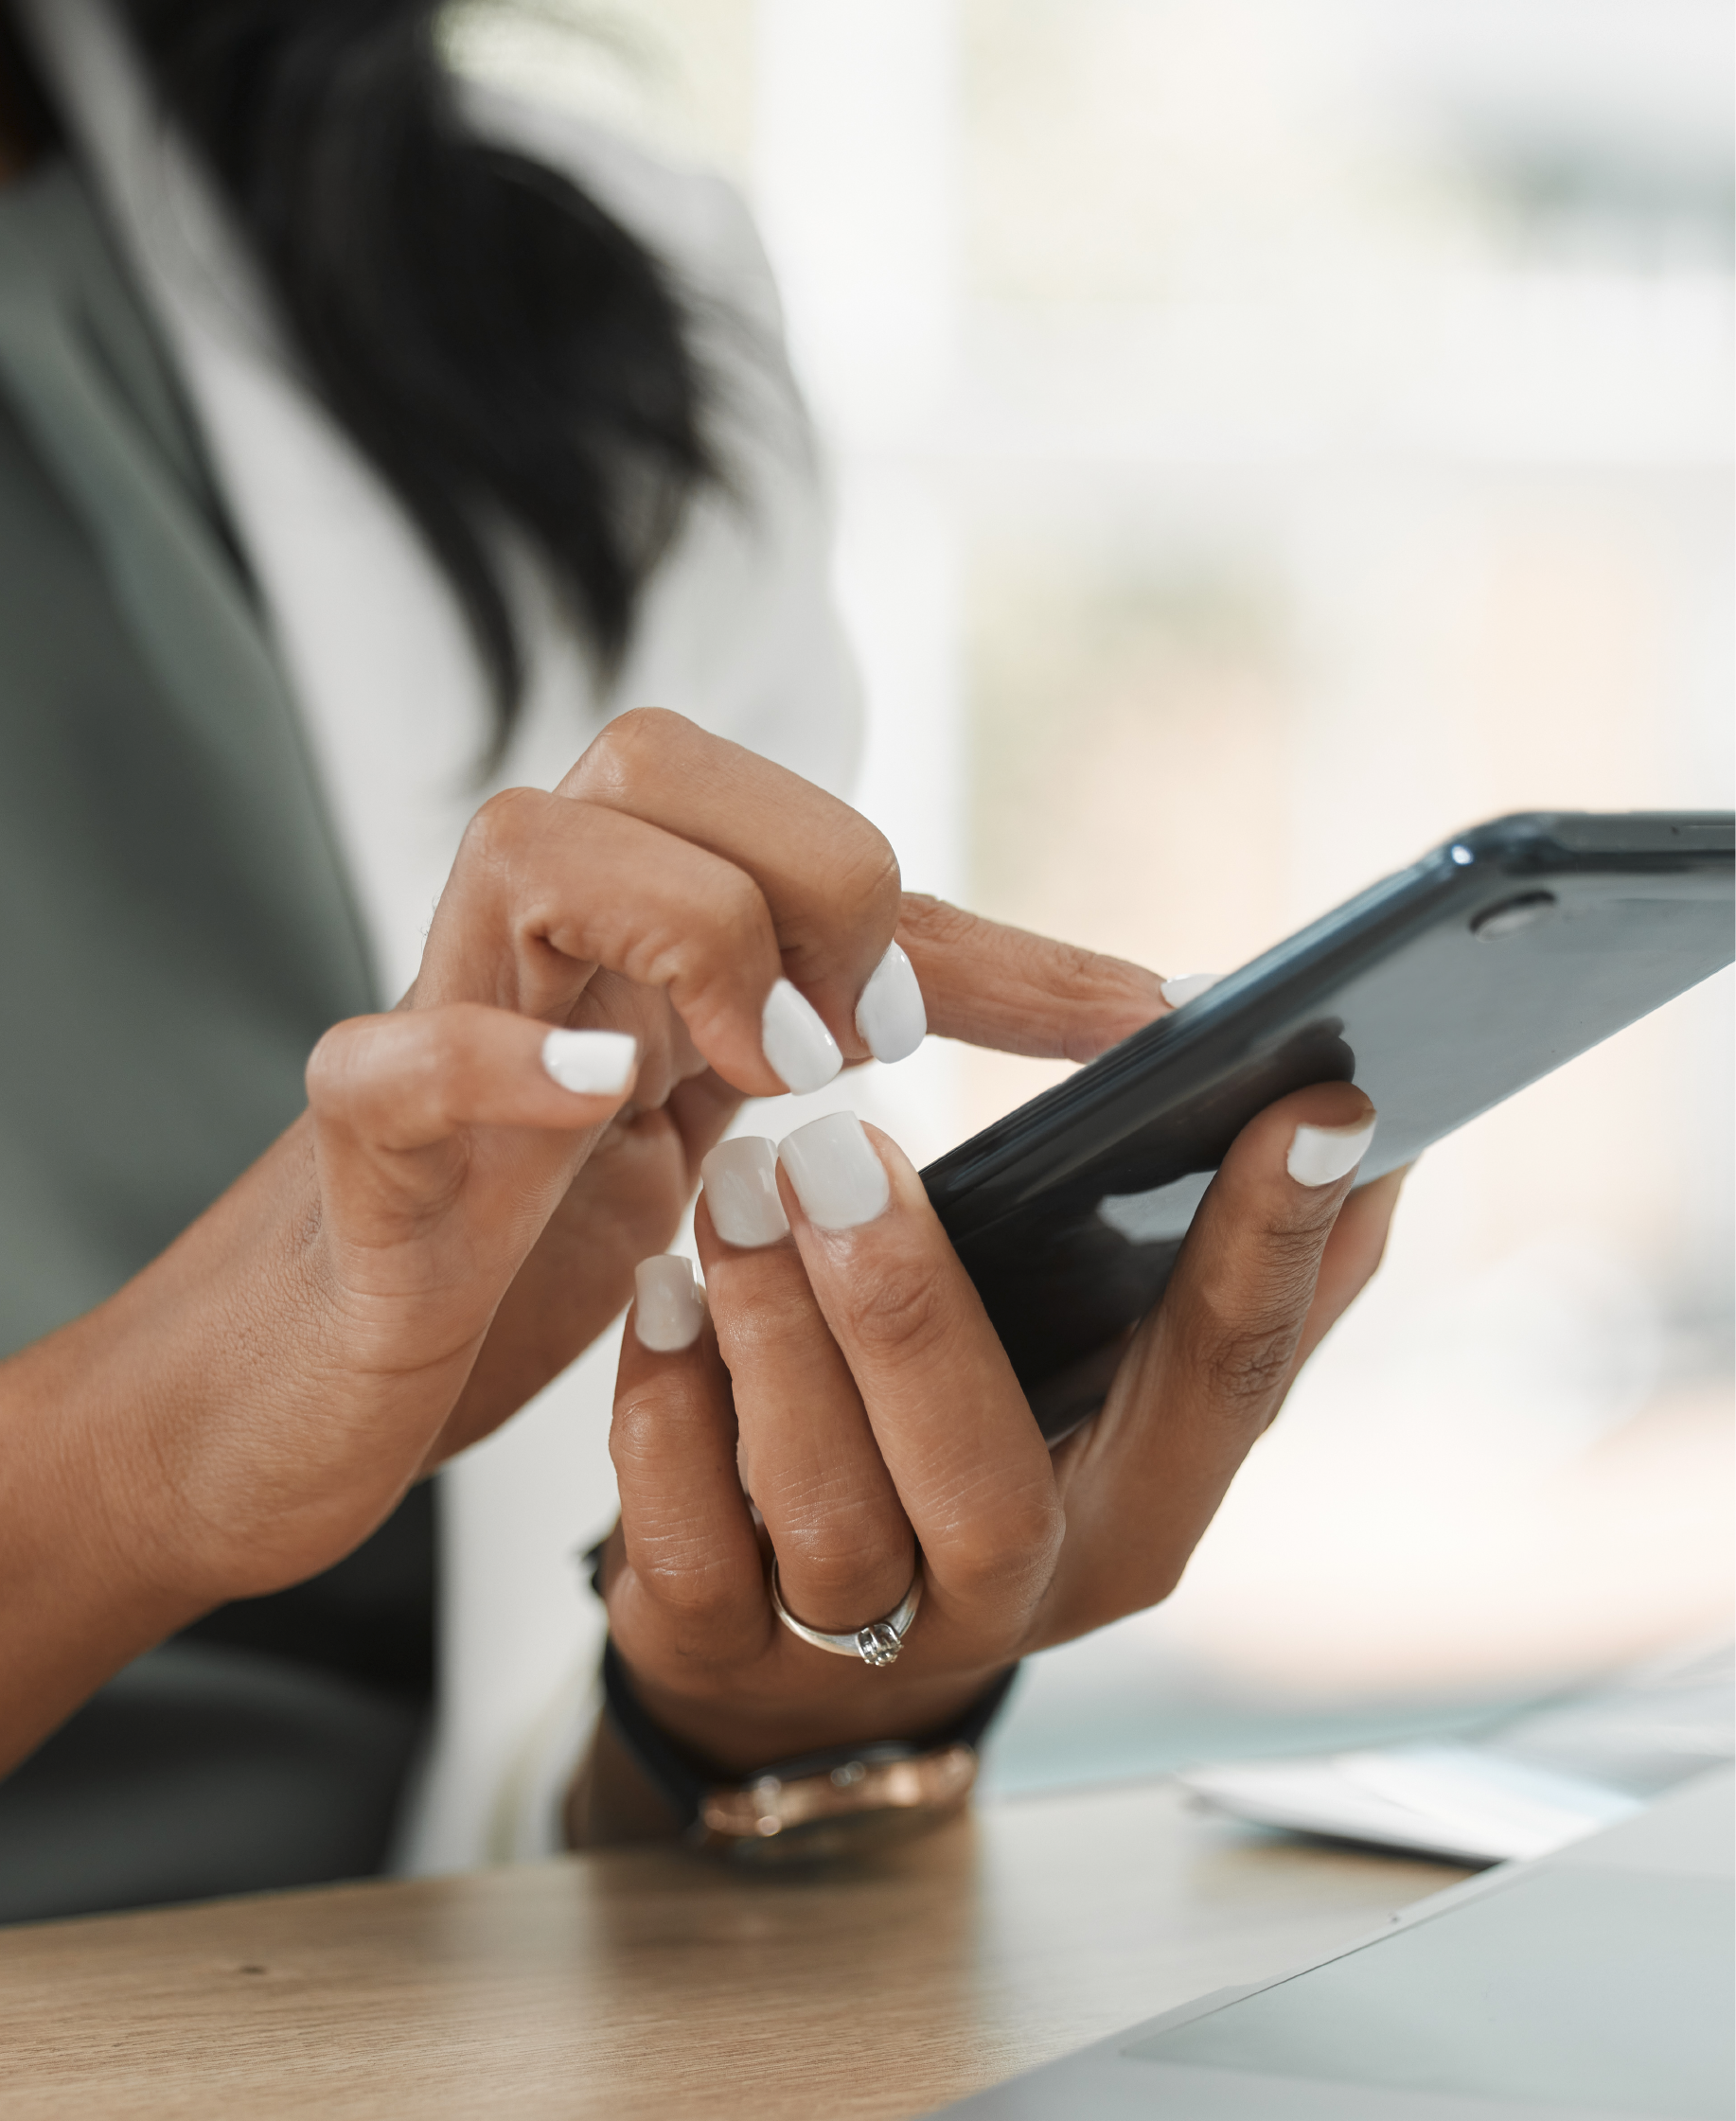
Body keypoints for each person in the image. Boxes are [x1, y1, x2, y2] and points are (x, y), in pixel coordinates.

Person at [0, 0, 1401, 1908]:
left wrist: (764, 1706)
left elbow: (547, 1859)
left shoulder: (563, 295)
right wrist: (119, 1464)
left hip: (363, 2118)